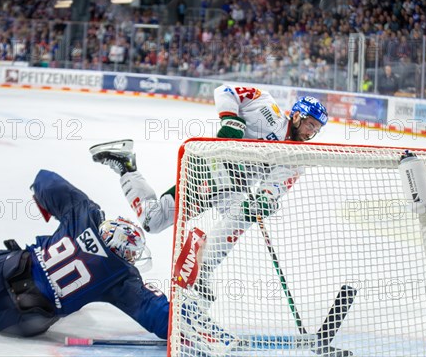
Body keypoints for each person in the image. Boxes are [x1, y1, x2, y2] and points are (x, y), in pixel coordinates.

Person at [91, 86, 328, 302]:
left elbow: (276, 187)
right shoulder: (268, 110)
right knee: (154, 221)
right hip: (211, 167)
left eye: (316, 130)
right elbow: (225, 91)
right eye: (310, 125)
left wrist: (266, 199)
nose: (311, 133)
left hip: (233, 187)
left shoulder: (296, 158)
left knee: (240, 214)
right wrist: (231, 119)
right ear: (297, 115)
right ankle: (200, 272)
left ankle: (200, 272)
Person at [0, 169, 169, 338]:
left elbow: (45, 181)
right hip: (23, 323)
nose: (130, 259)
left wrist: (42, 199)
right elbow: (159, 316)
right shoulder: (123, 278)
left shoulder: (84, 216)